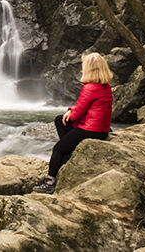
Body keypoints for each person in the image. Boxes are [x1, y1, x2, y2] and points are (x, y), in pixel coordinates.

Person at [33, 52, 113, 194]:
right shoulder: (104, 86)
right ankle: (68, 154)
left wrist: (71, 112)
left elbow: (76, 115)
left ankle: (50, 181)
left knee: (58, 148)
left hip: (91, 130)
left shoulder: (90, 87)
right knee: (59, 120)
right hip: (102, 129)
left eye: (84, 66)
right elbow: (85, 107)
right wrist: (71, 109)